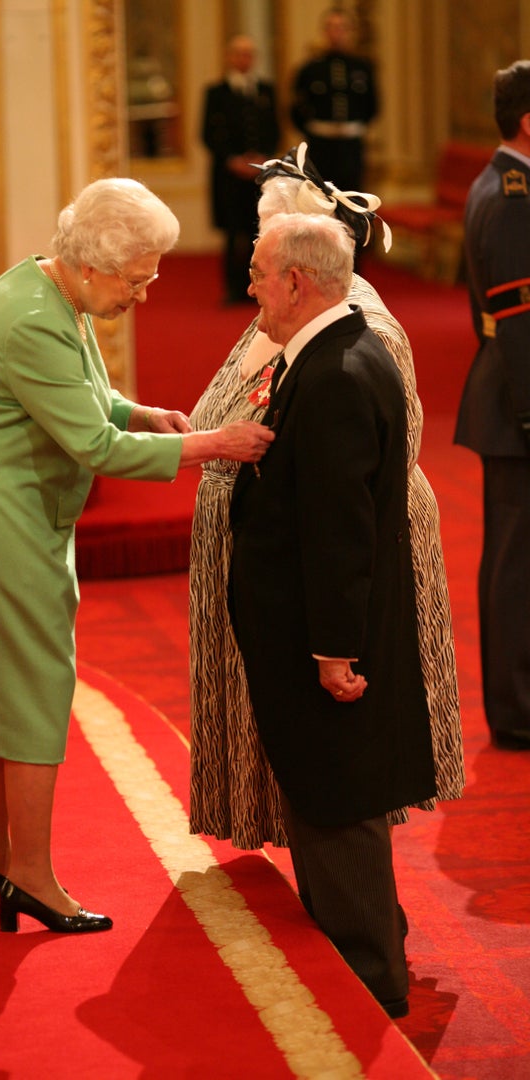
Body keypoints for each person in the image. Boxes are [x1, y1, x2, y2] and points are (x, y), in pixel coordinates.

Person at [0, 177, 274, 936]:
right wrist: (211, 444)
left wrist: (142, 411)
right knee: (30, 685)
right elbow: (94, 446)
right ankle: (30, 876)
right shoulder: (36, 316)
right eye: (136, 280)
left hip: (0, 501)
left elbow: (85, 391)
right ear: (95, 264)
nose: (143, 294)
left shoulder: (46, 286)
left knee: (0, 686)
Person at [189, 147, 463, 852]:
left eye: (261, 249)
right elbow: (216, 409)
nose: (251, 264)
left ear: (298, 261)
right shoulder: (291, 312)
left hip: (348, 542)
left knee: (351, 746)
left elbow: (368, 464)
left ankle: (353, 888)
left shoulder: (356, 327)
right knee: (309, 738)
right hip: (292, 541)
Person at [227, 211, 436, 1016]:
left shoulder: (339, 374)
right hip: (316, 634)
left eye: (257, 270)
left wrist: (334, 651)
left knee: (338, 799)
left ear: (296, 282)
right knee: (324, 795)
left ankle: (367, 992)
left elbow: (340, 528)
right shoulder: (331, 354)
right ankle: (352, 970)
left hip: (328, 645)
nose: (248, 283)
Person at [455, 60, 530, 751]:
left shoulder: (505, 184)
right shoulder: (512, 197)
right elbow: (516, 318)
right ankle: (516, 710)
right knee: (514, 564)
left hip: (510, 399)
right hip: (517, 404)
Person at [202, 34, 280, 304]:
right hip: (228, 176)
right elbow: (207, 134)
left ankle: (257, 287)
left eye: (249, 53)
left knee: (257, 232)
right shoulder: (216, 93)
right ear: (229, 57)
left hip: (258, 175)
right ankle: (233, 289)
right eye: (238, 53)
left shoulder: (266, 90)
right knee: (232, 234)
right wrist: (233, 160)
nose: (243, 59)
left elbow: (274, 130)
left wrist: (262, 158)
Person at [289, 8, 378, 193]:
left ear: (350, 32)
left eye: (342, 28)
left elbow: (373, 105)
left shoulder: (362, 67)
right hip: (321, 145)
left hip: (351, 146)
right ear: (324, 31)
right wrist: (313, 130)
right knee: (320, 199)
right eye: (331, 27)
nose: (336, 33)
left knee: (353, 200)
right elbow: (295, 107)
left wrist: (355, 127)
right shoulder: (310, 69)